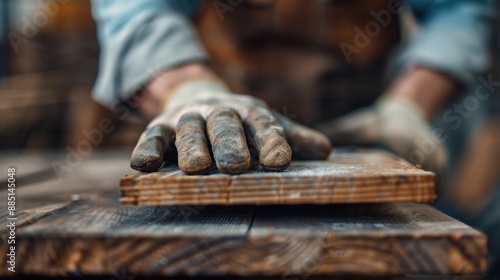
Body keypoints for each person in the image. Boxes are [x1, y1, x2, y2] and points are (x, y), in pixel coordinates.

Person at [91, 0, 497, 271]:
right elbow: (137, 7)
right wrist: (188, 91)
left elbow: (460, 7)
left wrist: (409, 106)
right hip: (221, 121)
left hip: (363, 117)